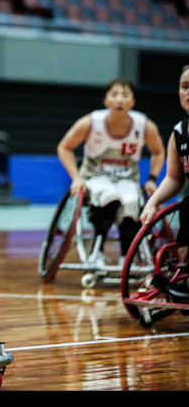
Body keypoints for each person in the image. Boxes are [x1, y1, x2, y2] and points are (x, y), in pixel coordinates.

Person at [57, 77, 165, 265]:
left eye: (125, 95)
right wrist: (76, 178)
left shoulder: (144, 125)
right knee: (110, 199)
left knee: (131, 210)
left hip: (127, 179)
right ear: (106, 101)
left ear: (132, 102)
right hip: (95, 176)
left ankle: (126, 258)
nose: (119, 100)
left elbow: (158, 151)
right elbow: (64, 147)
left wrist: (152, 179)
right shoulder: (91, 122)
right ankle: (96, 252)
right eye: (114, 95)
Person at [139, 65, 189, 299]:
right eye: (184, 87)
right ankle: (184, 276)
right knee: (188, 207)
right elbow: (173, 178)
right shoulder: (179, 132)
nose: (188, 93)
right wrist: (152, 202)